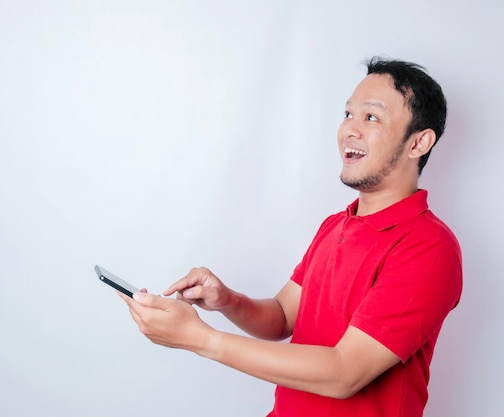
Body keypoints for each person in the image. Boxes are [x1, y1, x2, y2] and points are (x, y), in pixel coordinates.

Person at [121, 56, 463, 417]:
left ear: (419, 142)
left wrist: (199, 338)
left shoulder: (429, 248)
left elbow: (346, 373)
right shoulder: (335, 225)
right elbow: (283, 316)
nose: (349, 130)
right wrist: (226, 300)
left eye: (371, 117)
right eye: (348, 114)